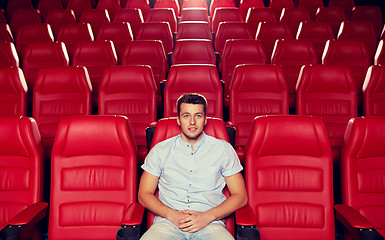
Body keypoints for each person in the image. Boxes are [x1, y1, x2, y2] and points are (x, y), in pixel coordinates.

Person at [138, 93, 247, 240]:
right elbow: (144, 194)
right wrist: (172, 215)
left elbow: (240, 196)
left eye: (198, 116)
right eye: (186, 116)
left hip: (210, 224)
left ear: (205, 120)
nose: (192, 122)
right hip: (168, 224)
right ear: (178, 120)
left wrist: (207, 216)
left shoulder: (223, 149)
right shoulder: (160, 150)